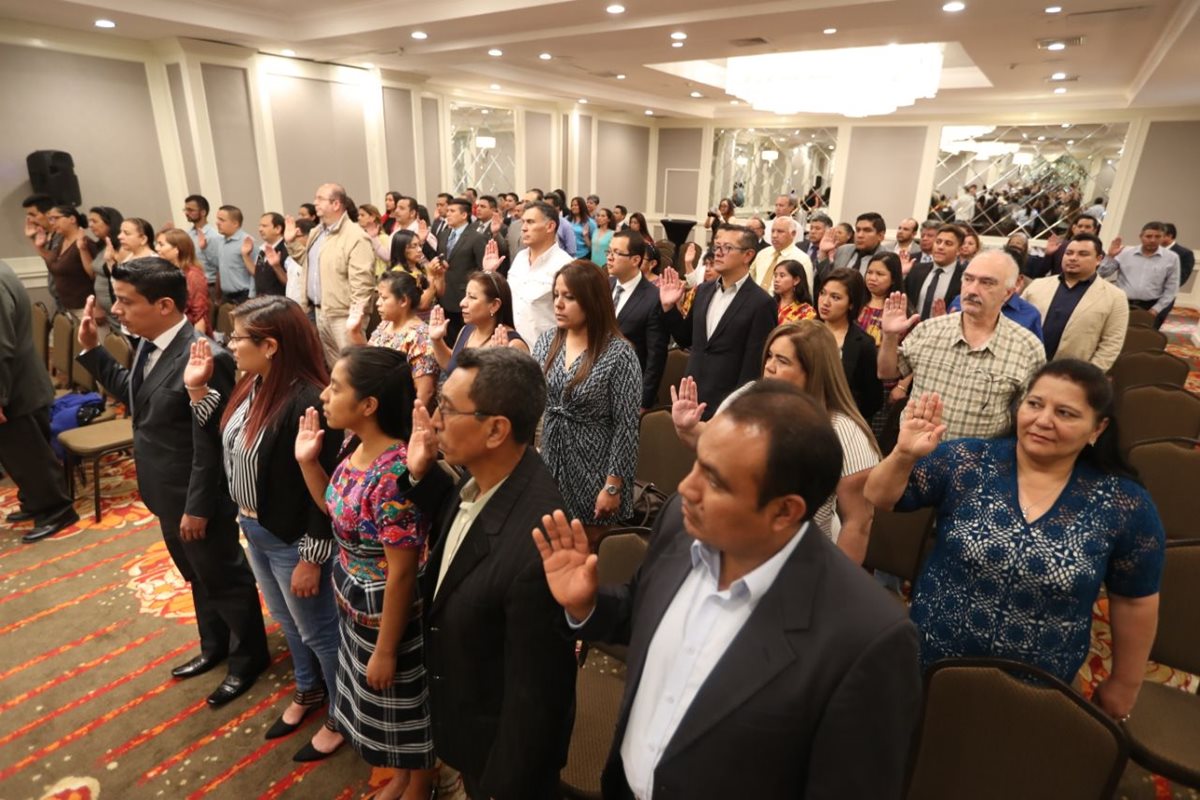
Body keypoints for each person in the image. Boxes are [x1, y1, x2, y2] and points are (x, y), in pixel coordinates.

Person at [535, 381, 920, 799]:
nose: (686, 488)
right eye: (697, 463)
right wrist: (587, 606)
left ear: (784, 510)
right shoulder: (681, 525)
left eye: (716, 481)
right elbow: (641, 610)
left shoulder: (866, 639)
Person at [864, 363, 1164, 719]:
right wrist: (903, 454)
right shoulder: (969, 461)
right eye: (1034, 404)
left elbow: (1135, 601)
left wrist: (1124, 684)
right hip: (930, 659)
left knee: (1002, 768)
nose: (1042, 420)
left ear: (1097, 429)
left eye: (1065, 413)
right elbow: (880, 496)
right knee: (907, 753)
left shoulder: (1122, 503)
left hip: (1035, 685)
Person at [76, 260, 269, 704]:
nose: (117, 310)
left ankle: (249, 658)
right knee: (196, 575)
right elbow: (137, 397)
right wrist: (93, 352)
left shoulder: (207, 356)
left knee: (223, 576)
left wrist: (198, 507)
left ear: (164, 304)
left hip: (195, 496)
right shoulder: (148, 343)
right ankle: (214, 646)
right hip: (164, 488)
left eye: (126, 301)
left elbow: (211, 441)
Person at [403, 347, 577, 799]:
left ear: (496, 429)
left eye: (447, 408)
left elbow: (535, 698)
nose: (435, 420)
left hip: (499, 751)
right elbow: (467, 524)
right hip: (469, 711)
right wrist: (421, 477)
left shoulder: (537, 545)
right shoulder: (487, 475)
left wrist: (504, 785)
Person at [184, 297, 343, 760]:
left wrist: (314, 557)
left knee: (320, 633)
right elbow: (231, 437)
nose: (227, 344)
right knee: (290, 625)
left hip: (294, 538)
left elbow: (324, 489)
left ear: (270, 345)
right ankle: (308, 690)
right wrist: (198, 393)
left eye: (237, 337)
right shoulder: (253, 383)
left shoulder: (308, 399)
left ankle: (340, 712)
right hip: (255, 530)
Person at [294, 347, 435, 799]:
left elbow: (402, 574)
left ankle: (421, 788)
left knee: (405, 707)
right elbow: (335, 510)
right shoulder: (354, 445)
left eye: (336, 388)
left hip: (388, 610)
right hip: (356, 600)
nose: (324, 396)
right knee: (387, 713)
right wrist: (308, 463)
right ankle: (401, 779)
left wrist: (387, 650)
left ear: (369, 405)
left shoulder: (393, 472)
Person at [672, 321, 880, 562]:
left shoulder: (844, 431)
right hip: (731, 542)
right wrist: (687, 428)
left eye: (782, 361)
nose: (769, 367)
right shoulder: (749, 396)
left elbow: (858, 521)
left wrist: (833, 590)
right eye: (769, 356)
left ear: (813, 372)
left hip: (801, 560)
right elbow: (709, 445)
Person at [879, 250, 1046, 440]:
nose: (972, 290)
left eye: (986, 283)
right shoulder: (929, 330)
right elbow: (886, 373)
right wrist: (890, 336)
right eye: (968, 279)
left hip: (979, 462)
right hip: (914, 454)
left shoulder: (1027, 347)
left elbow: (1029, 416)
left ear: (1008, 293)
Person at [534, 261, 642, 526]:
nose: (558, 303)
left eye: (569, 297)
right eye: (556, 295)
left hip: (595, 472)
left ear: (592, 301)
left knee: (587, 552)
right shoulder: (548, 341)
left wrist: (613, 486)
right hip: (551, 462)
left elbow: (626, 428)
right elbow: (533, 402)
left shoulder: (619, 353)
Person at [658, 225, 777, 419]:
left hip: (727, 406)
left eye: (727, 248)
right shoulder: (704, 291)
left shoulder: (761, 303)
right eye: (717, 247)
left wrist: (736, 410)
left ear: (748, 255)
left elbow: (753, 367)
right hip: (691, 397)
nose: (718, 253)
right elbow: (685, 338)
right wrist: (669, 308)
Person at [0, 259, 79, 542]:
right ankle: (35, 502)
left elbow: (1, 346)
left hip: (15, 387)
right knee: (23, 455)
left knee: (30, 456)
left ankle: (57, 511)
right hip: (20, 382)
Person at [285, 183, 376, 366]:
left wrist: (356, 318)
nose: (315, 202)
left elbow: (363, 283)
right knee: (336, 368)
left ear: (336, 204)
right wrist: (291, 243)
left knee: (353, 368)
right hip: (321, 312)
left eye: (320, 199)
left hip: (344, 315)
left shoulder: (355, 237)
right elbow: (311, 265)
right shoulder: (317, 232)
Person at [1022, 233, 1127, 371]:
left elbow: (1111, 343)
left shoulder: (1115, 296)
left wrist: (1088, 376)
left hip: (1074, 375)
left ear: (1098, 259)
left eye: (1083, 254)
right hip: (1025, 367)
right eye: (1069, 253)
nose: (1073, 258)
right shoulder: (1038, 285)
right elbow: (1014, 323)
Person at [346, 271, 438, 409]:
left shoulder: (421, 337)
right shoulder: (385, 325)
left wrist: (408, 425)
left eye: (383, 298)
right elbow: (371, 362)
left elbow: (425, 393)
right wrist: (354, 332)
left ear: (403, 301)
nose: (378, 303)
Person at [606, 230, 668, 413]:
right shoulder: (604, 285)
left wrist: (644, 402)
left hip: (628, 391)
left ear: (635, 260)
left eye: (616, 253)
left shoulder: (653, 297)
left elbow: (655, 356)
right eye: (609, 252)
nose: (610, 258)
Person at [430, 270, 528, 375]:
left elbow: (517, 388)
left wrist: (499, 365)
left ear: (494, 305)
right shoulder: (466, 330)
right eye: (465, 295)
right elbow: (453, 366)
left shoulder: (513, 345)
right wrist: (436, 340)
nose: (462, 303)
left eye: (472, 297)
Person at [817, 267, 883, 422]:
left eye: (835, 297)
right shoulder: (804, 332)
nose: (825, 302)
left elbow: (873, 400)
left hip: (843, 423)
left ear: (851, 304)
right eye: (822, 293)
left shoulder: (863, 344)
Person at [506, 201, 575, 343]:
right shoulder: (520, 258)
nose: (524, 228)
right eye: (523, 222)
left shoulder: (565, 265)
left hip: (546, 351)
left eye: (530, 222)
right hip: (513, 349)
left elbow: (573, 318)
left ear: (550, 226)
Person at [1100, 221, 1181, 329]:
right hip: (1122, 303)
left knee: (1142, 339)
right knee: (1115, 334)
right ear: (1141, 236)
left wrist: (1156, 309)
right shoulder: (1125, 253)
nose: (1152, 240)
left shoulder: (1171, 258)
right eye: (1148, 236)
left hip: (1150, 306)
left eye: (1157, 236)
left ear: (1162, 238)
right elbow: (1102, 273)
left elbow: (1172, 289)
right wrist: (1110, 256)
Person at [904, 223, 967, 320]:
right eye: (938, 242)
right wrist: (901, 273)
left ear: (958, 250)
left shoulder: (964, 278)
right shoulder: (916, 269)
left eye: (948, 243)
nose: (940, 247)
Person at [155, 228, 211, 336]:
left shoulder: (193, 275)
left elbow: (200, 317)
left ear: (177, 249)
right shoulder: (168, 273)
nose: (157, 248)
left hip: (190, 336)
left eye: (161, 245)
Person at [41, 205, 94, 317]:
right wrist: (39, 246)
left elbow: (95, 276)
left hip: (84, 307)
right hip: (66, 306)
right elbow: (53, 266)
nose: (52, 223)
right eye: (50, 219)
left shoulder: (86, 243)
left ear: (72, 219)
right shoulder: (62, 242)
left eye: (55, 218)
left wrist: (83, 249)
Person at [752, 216, 814, 298]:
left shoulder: (802, 259)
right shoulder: (763, 254)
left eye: (780, 232)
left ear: (793, 234)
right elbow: (750, 279)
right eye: (772, 231)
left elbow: (806, 293)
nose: (774, 235)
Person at [816, 212, 886, 280]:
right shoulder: (843, 250)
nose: (860, 235)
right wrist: (823, 253)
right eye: (858, 230)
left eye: (867, 230)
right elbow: (828, 279)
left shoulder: (887, 257)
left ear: (880, 236)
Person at [859, 252, 904, 345]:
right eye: (869, 272)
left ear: (893, 279)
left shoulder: (901, 312)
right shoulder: (856, 302)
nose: (872, 278)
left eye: (879, 274)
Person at [183, 194, 221, 304]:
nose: (187, 213)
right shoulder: (188, 234)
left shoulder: (213, 236)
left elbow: (219, 265)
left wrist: (205, 248)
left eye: (191, 210)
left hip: (209, 285)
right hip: (191, 283)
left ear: (203, 212)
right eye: (185, 209)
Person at [214, 205, 254, 304]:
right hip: (226, 297)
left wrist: (251, 298)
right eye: (217, 219)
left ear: (235, 223)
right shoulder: (221, 242)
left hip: (244, 296)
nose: (217, 223)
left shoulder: (247, 242)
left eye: (222, 220)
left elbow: (255, 273)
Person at [250, 212, 289, 297]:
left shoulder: (287, 250)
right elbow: (258, 274)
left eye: (264, 226)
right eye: (259, 226)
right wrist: (245, 255)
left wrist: (276, 266)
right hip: (261, 301)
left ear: (278, 229)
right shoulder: (262, 250)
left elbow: (290, 283)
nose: (260, 229)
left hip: (279, 303)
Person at [772, 259, 815, 324]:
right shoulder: (770, 304)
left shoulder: (807, 312)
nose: (776, 280)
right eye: (775, 276)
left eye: (782, 275)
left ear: (796, 280)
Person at [567, 196, 596, 260]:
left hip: (583, 255)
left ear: (582, 206)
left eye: (576, 205)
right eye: (572, 205)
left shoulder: (590, 222)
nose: (573, 207)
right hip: (568, 254)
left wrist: (586, 236)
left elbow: (594, 243)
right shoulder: (567, 219)